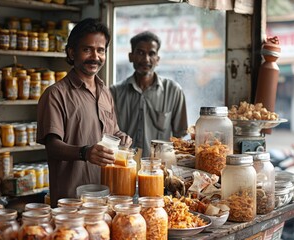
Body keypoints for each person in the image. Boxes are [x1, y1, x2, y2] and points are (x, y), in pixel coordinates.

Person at [36, 18, 132, 207]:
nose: (95, 56)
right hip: (71, 202)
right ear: (72, 52)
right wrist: (84, 152)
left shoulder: (105, 92)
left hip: (105, 197)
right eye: (87, 49)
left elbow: (112, 132)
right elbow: (52, 146)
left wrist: (122, 138)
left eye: (101, 50)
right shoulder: (55, 94)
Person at [110, 31, 188, 157]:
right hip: (124, 164)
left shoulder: (173, 91)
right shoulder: (114, 92)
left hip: (159, 168)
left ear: (157, 59)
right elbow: (109, 135)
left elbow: (180, 137)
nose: (146, 59)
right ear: (131, 56)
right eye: (140, 53)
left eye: (151, 53)